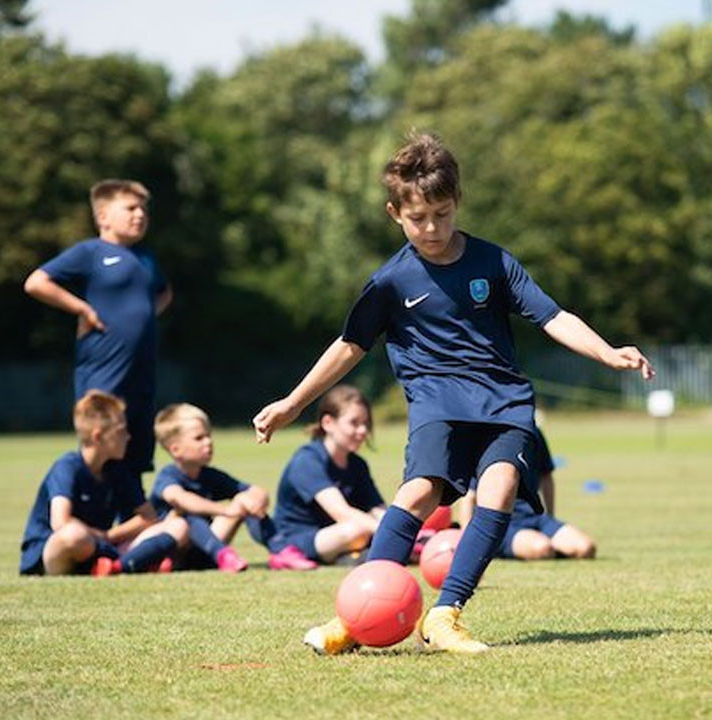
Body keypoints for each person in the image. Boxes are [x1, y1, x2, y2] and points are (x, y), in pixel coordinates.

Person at [252, 132, 654, 655]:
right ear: (395, 212)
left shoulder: (494, 262)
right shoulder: (391, 281)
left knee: (500, 488)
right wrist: (292, 402)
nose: (432, 228)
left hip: (504, 398)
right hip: (438, 398)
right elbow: (350, 347)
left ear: (456, 202)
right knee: (419, 493)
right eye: (418, 218)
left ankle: (445, 615)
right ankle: (354, 617)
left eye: (442, 214)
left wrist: (607, 352)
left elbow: (552, 315)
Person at [23, 179, 172, 504]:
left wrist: (145, 315)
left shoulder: (145, 258)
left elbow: (164, 292)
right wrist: (82, 309)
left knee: (134, 449)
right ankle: (89, 517)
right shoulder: (91, 252)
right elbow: (36, 282)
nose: (140, 215)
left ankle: (133, 528)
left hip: (141, 375)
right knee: (103, 445)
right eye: (130, 208)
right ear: (103, 216)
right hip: (105, 371)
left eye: (143, 209)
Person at [18, 390, 187, 576]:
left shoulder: (117, 469)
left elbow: (149, 517)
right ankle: (136, 562)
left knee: (177, 526)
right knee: (73, 535)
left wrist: (110, 537)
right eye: (121, 431)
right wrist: (102, 537)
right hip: (59, 549)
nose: (128, 437)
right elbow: (61, 522)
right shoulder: (67, 466)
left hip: (101, 546)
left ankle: (116, 567)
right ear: (98, 436)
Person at [150, 403, 316, 572]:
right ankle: (223, 554)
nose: (208, 442)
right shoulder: (167, 476)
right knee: (189, 516)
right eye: (199, 438)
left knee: (244, 500)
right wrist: (225, 511)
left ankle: (282, 550)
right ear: (175, 449)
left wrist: (257, 500)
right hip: (172, 554)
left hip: (204, 551)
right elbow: (182, 499)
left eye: (208, 435)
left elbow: (254, 491)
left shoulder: (209, 475)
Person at [271, 385, 388, 566]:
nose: (363, 430)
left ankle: (354, 556)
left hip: (339, 533)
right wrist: (393, 535)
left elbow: (377, 509)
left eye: (365, 423)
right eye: (354, 422)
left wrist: (405, 530)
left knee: (368, 526)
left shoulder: (358, 464)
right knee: (357, 530)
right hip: (298, 539)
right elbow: (342, 513)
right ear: (328, 423)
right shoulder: (307, 461)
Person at [456, 427, 596, 561]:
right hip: (502, 523)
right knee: (543, 548)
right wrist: (468, 546)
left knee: (586, 548)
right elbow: (469, 498)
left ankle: (540, 544)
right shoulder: (491, 438)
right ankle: (496, 547)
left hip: (535, 517)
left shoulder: (534, 433)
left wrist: (550, 517)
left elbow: (546, 476)